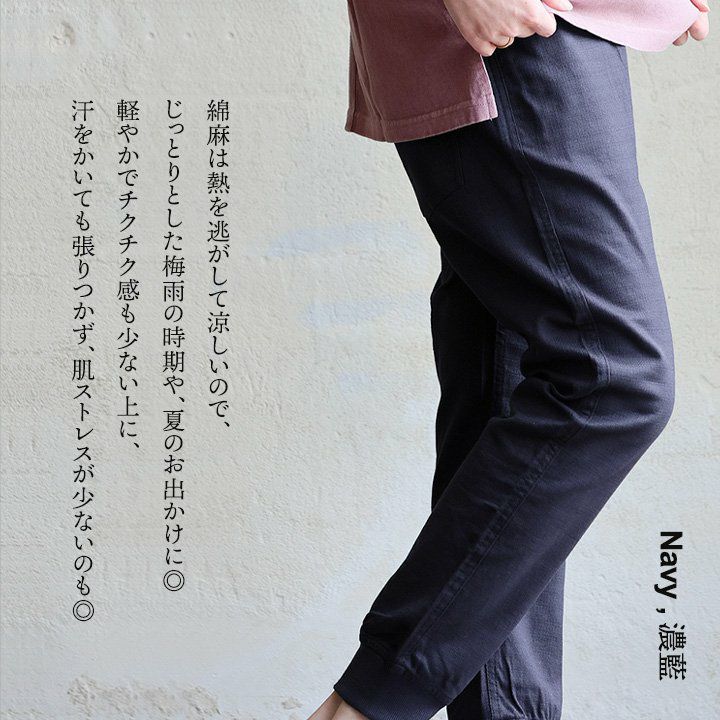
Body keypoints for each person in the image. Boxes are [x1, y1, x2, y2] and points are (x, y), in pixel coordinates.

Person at [306, 2, 710, 719]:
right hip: (515, 29)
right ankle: (369, 704)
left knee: (522, 376)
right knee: (613, 376)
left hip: (553, 26)